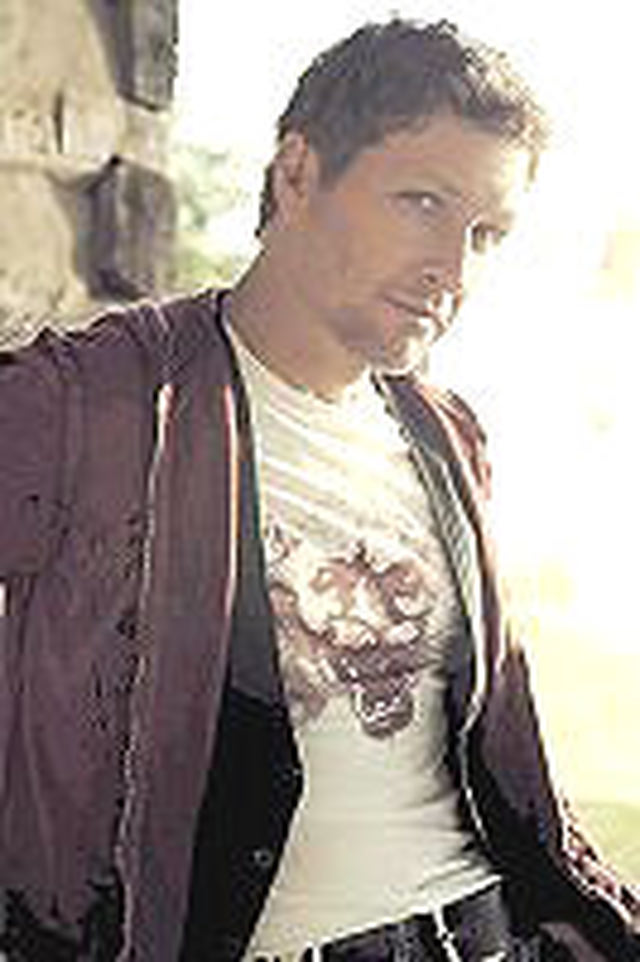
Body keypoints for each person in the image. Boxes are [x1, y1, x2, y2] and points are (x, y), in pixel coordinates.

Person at [0, 16, 637, 962]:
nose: (455, 269)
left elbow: (495, 738)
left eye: (487, 234)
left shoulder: (446, 433)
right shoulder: (96, 401)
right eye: (422, 202)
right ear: (297, 174)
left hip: (487, 933)